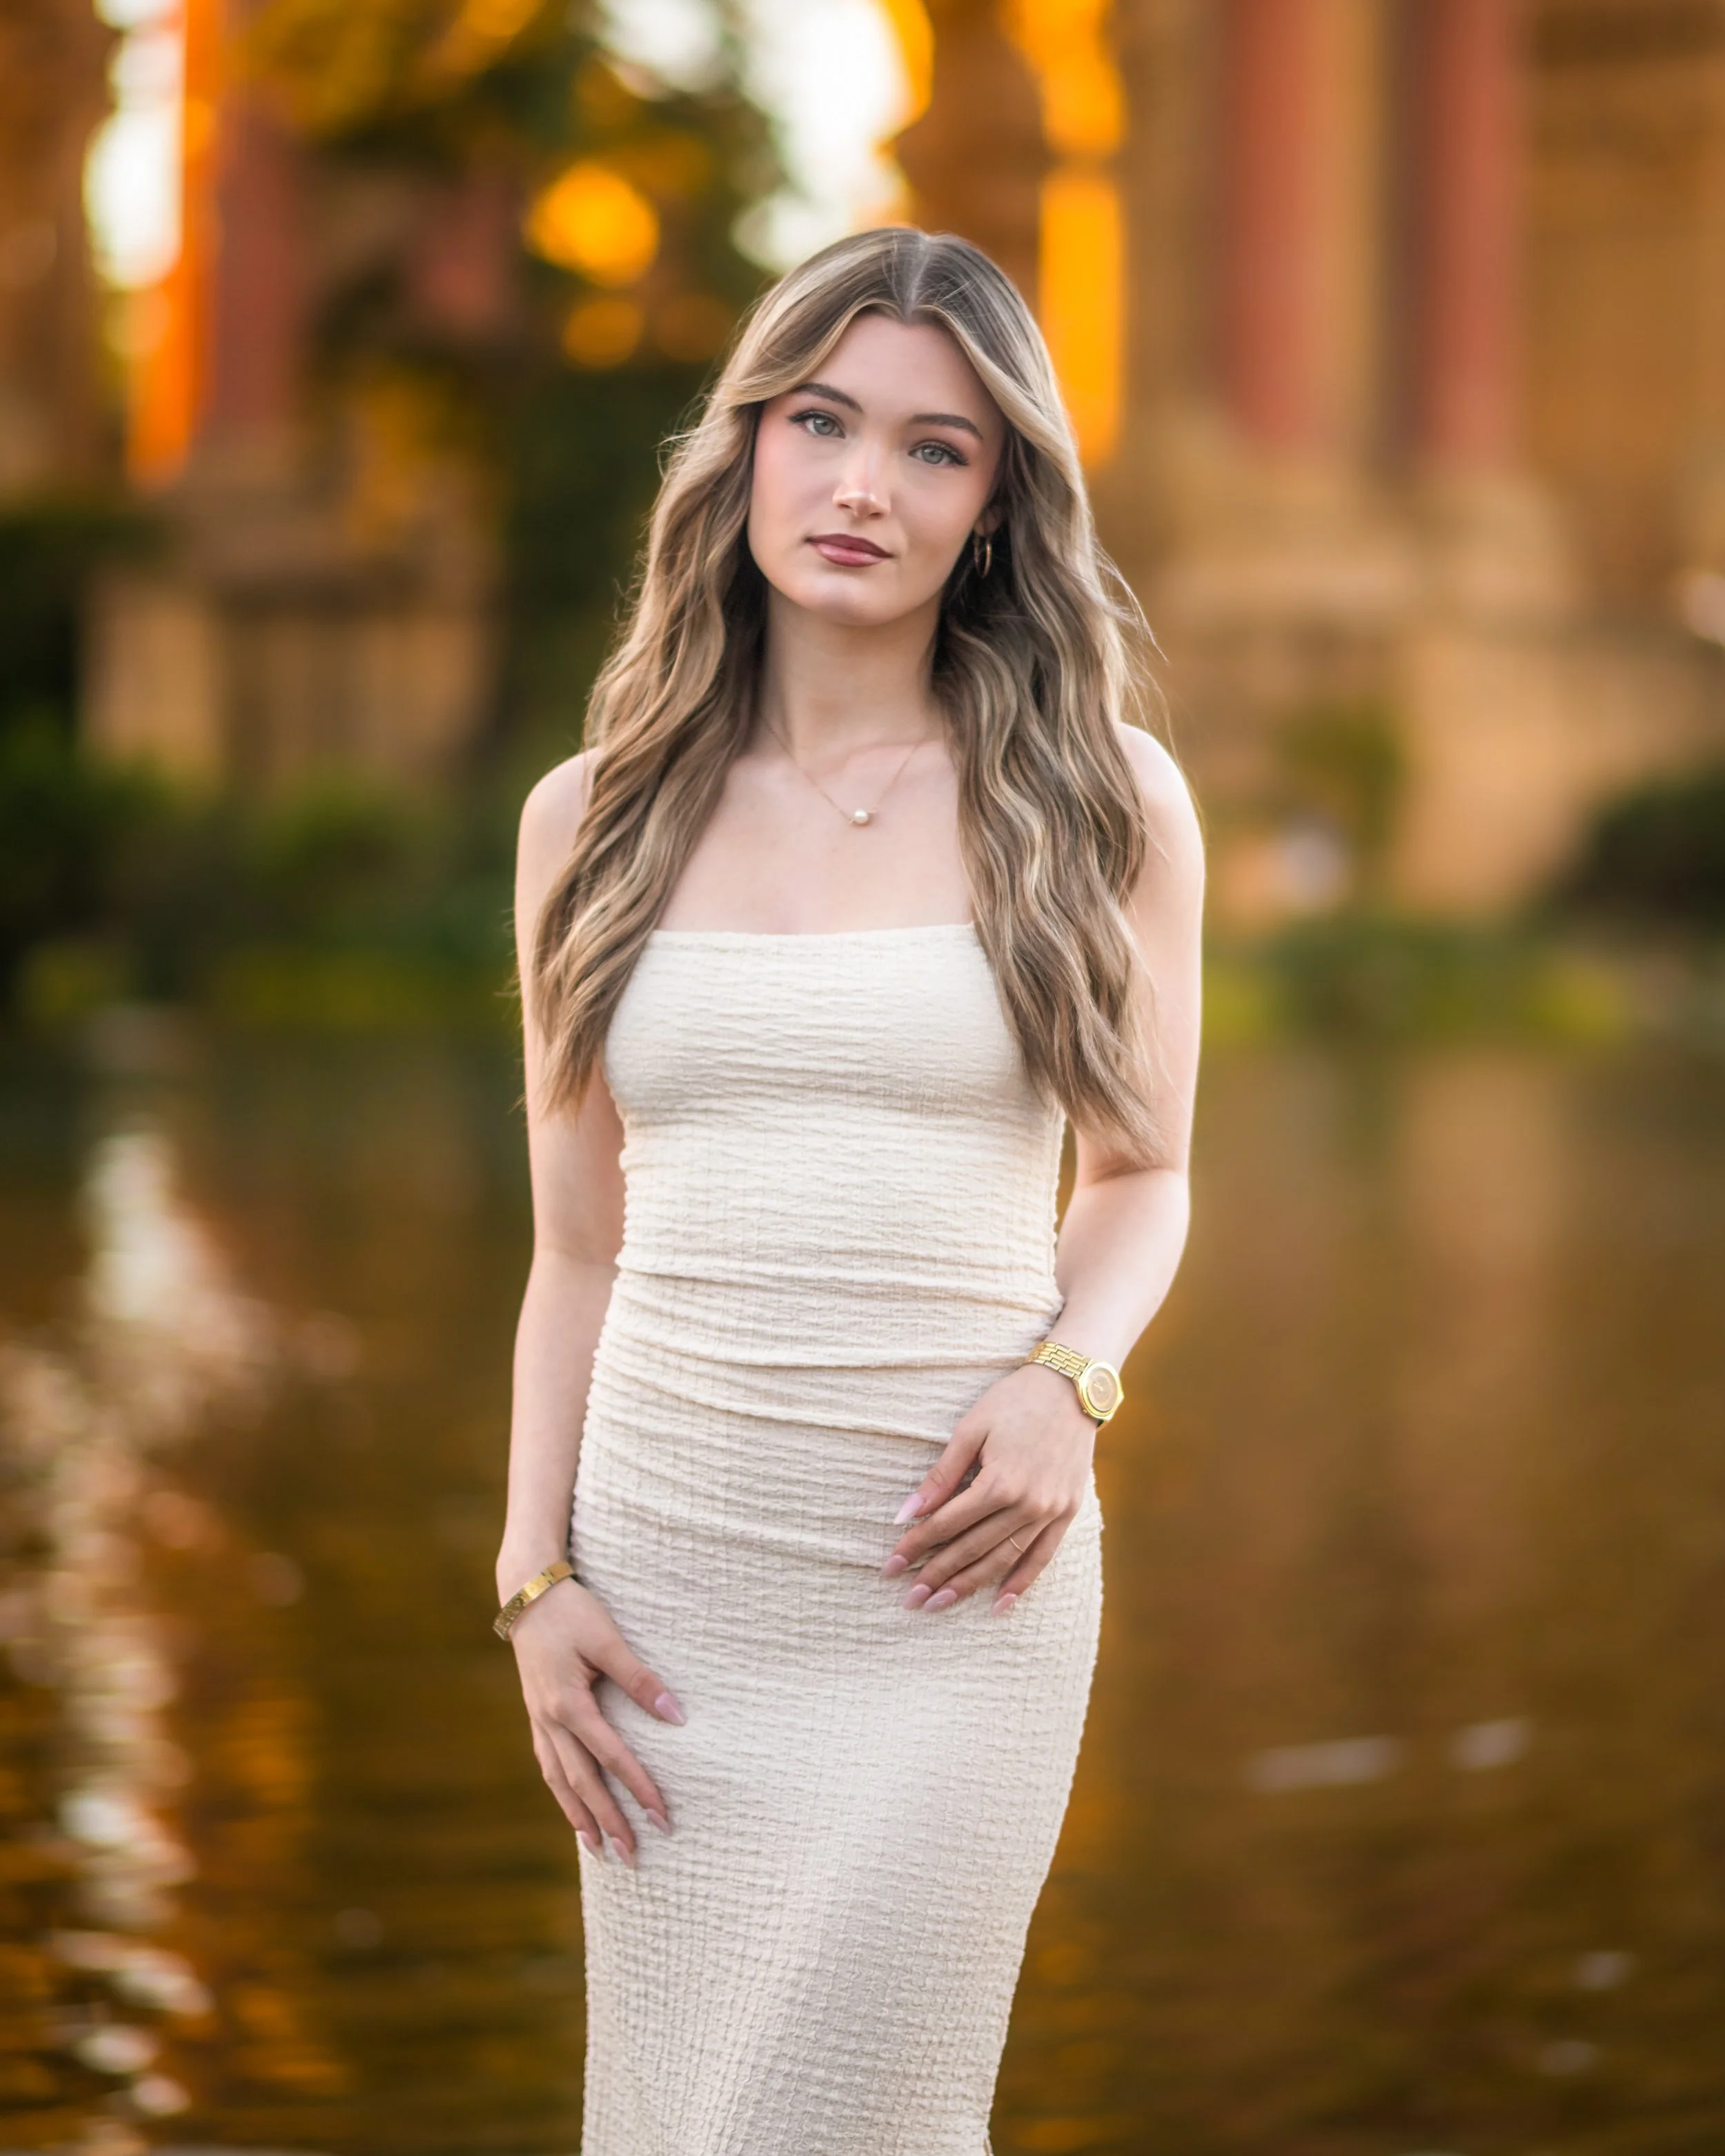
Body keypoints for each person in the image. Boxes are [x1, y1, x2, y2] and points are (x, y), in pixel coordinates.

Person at [496, 226, 1204, 2156]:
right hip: (665, 1590)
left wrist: (1070, 1382)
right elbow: (573, 1255)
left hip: (947, 1584)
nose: (862, 487)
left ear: (994, 508)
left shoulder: (1100, 795)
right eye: (819, 421)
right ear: (743, 450)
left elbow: (1143, 1174)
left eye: (934, 448)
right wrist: (533, 1577)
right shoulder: (592, 816)